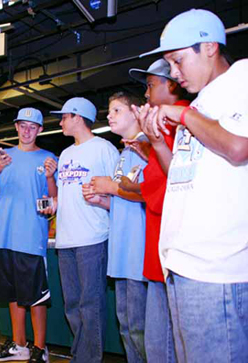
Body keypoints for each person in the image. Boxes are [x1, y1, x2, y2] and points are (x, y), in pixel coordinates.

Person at [141, 9, 248, 362]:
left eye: (179, 61)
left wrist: (183, 115)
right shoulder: (200, 105)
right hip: (186, 266)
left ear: (210, 47)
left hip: (221, 268)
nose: (175, 74)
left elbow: (240, 147)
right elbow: (180, 176)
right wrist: (157, 143)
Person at [44, 97, 119, 363]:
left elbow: (120, 192)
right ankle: (82, 355)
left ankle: (88, 358)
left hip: (93, 238)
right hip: (66, 240)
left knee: (91, 304)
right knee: (72, 305)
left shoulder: (104, 149)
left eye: (64, 117)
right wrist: (52, 198)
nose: (61, 121)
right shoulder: (65, 154)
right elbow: (63, 197)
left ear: (78, 117)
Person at [126, 59, 190, 363]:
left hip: (174, 256)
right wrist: (150, 150)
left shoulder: (183, 127)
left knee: (165, 345)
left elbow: (173, 193)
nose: (147, 94)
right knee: (158, 343)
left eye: (151, 85)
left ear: (172, 84)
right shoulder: (162, 132)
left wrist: (121, 189)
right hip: (158, 253)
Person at [0, 107, 57, 363]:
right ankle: (19, 345)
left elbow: (53, 199)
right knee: (13, 295)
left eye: (33, 127)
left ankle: (40, 348)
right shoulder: (3, 157)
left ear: (40, 130)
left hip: (31, 237)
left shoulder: (48, 158)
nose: (27, 131)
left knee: (35, 297)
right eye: (23, 125)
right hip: (4, 236)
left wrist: (49, 177)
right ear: (16, 127)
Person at [85, 92, 148, 363]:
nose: (109, 116)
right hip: (122, 252)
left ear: (135, 112)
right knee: (127, 325)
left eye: (117, 110)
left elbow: (150, 192)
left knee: (140, 327)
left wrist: (111, 187)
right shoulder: (125, 152)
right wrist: (102, 200)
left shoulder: (147, 147)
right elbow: (124, 202)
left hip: (139, 252)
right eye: (109, 111)